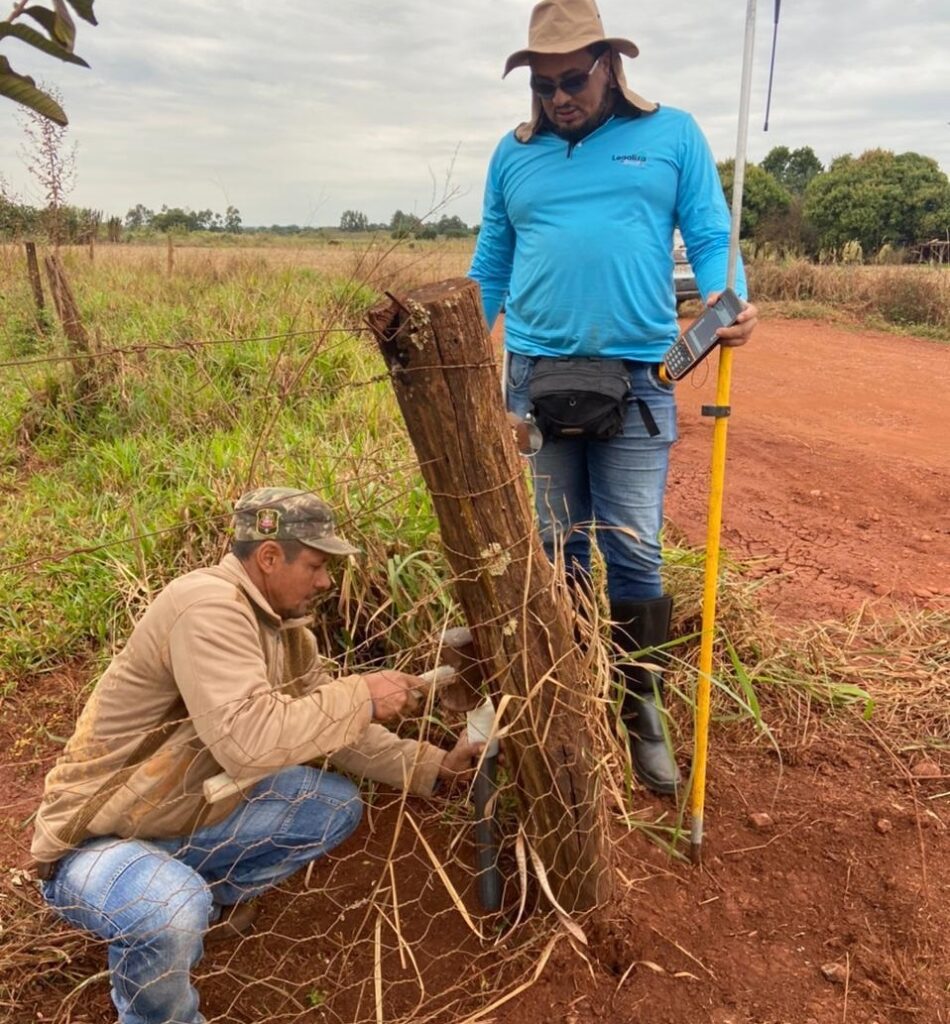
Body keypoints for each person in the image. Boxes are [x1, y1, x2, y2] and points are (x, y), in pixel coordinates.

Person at [31, 487, 480, 1024]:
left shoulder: (285, 631)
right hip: (97, 840)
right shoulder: (207, 608)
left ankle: (205, 898)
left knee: (329, 805)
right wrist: (360, 694)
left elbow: (336, 732)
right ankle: (158, 1003)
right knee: (169, 908)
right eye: (316, 564)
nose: (325, 581)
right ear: (269, 557)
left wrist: (429, 764)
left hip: (179, 812)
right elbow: (247, 745)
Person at [469, 0, 759, 794]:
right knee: (555, 545)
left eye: (573, 78)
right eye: (543, 82)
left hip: (638, 377)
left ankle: (641, 707)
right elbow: (491, 263)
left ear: (611, 65)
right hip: (535, 379)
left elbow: (709, 234)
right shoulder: (513, 155)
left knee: (630, 544)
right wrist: (457, 346)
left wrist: (728, 299)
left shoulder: (672, 136)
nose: (559, 96)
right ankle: (566, 691)